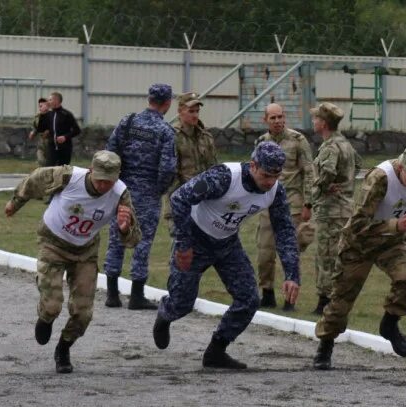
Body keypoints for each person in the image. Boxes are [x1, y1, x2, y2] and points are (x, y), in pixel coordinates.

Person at [313, 87, 406, 370]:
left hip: (391, 241)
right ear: (401, 168)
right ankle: (325, 345)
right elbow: (358, 225)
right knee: (341, 300)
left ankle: (390, 324)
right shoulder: (380, 180)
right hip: (359, 242)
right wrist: (396, 223)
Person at [152, 142, 300, 370]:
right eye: (266, 175)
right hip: (195, 240)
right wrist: (183, 244)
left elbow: (285, 230)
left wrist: (292, 273)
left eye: (276, 176)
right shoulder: (224, 177)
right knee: (182, 303)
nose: (270, 182)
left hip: (227, 245)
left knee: (249, 299)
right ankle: (166, 313)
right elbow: (179, 198)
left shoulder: (275, 191)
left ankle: (216, 351)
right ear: (253, 165)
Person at [4, 151, 140, 374]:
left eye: (109, 181)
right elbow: (35, 179)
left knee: (83, 312)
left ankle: (64, 347)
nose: (104, 185)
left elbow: (134, 239)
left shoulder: (120, 194)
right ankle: (45, 318)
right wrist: (15, 202)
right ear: (90, 171)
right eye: (100, 179)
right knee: (52, 305)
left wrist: (126, 228)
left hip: (85, 251)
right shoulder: (68, 176)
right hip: (52, 242)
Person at [102, 83, 177, 310]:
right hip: (148, 192)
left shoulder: (128, 121)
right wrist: (159, 189)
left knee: (116, 238)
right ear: (168, 103)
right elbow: (168, 168)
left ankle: (112, 294)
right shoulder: (165, 131)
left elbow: (110, 153)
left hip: (121, 190)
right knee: (142, 242)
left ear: (149, 99)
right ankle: (136, 295)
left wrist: (115, 183)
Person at [254, 102, 314, 311]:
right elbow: (254, 173)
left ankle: (290, 299)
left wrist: (309, 203)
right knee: (264, 252)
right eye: (273, 118)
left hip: (292, 204)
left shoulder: (298, 141)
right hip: (267, 203)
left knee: (291, 252)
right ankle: (267, 293)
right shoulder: (262, 143)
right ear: (266, 120)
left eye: (281, 117)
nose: (278, 121)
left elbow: (309, 172)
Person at [307, 101, 361, 316]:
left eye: (316, 118)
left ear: (324, 123)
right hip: (344, 208)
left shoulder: (330, 146)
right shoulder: (344, 143)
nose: (313, 121)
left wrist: (318, 191)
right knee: (337, 255)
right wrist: (346, 184)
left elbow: (326, 172)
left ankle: (325, 301)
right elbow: (357, 165)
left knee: (327, 256)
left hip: (332, 211)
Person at [170, 91, 218, 196]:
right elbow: (171, 174)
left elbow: (213, 167)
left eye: (197, 111)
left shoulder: (206, 136)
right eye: (191, 111)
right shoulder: (172, 136)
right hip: (180, 194)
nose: (195, 115)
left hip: (204, 193)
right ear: (180, 111)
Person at [36, 91, 82, 166]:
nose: (48, 102)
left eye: (50, 100)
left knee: (62, 171)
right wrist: (42, 115)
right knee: (49, 168)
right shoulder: (49, 115)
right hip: (52, 147)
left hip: (65, 148)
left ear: (56, 101)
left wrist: (65, 137)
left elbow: (77, 130)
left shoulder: (66, 114)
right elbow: (40, 129)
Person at [28, 97, 51, 167]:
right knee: (41, 161)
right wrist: (32, 133)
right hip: (41, 146)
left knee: (51, 165)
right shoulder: (37, 117)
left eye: (41, 106)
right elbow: (35, 128)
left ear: (47, 106)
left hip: (51, 146)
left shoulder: (54, 116)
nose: (40, 108)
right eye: (39, 106)